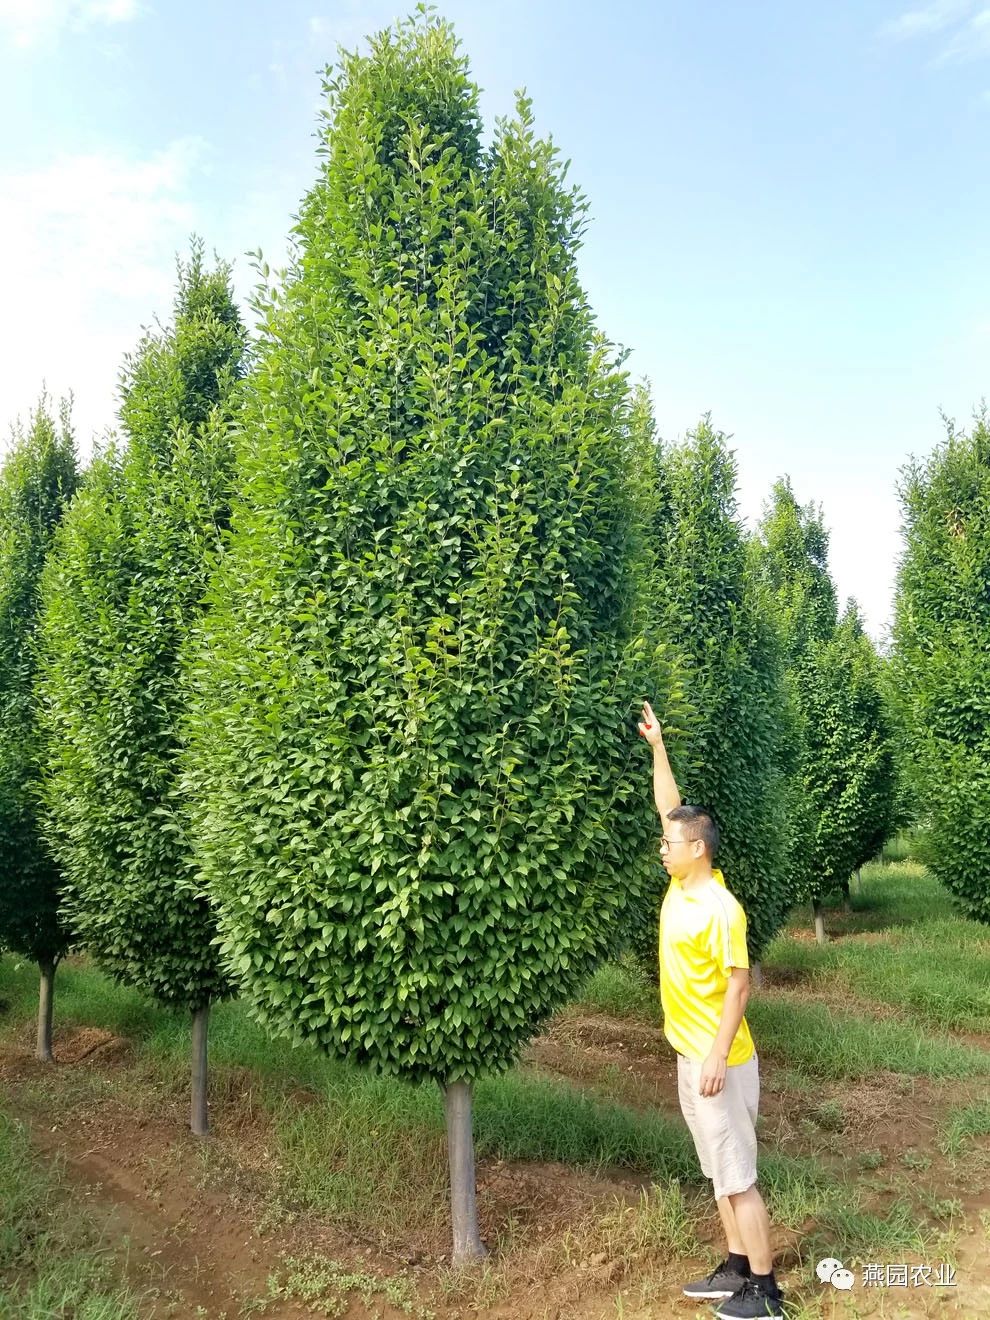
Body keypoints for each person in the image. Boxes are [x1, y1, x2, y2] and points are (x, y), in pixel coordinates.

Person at [638, 699, 784, 1320]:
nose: (662, 848)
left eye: (670, 844)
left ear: (697, 849)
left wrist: (718, 1056)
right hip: (690, 1053)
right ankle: (735, 1266)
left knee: (739, 1175)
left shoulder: (721, 909)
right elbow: (670, 807)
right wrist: (658, 747)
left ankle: (767, 1292)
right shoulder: (682, 884)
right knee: (718, 1171)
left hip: (717, 1059)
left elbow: (739, 986)